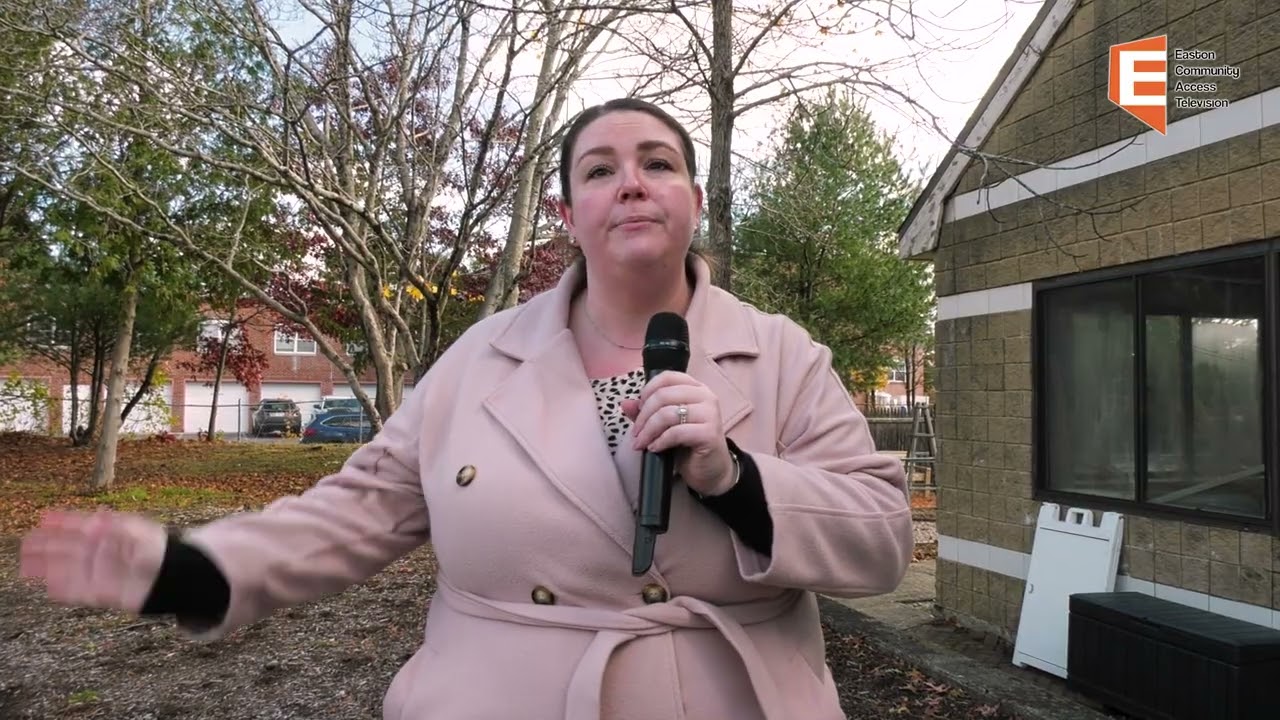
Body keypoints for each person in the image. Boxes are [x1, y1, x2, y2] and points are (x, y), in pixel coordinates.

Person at [20, 97, 913, 720]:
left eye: (659, 164)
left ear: (695, 200)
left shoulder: (786, 353)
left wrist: (734, 477)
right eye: (601, 170)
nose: (632, 182)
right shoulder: (477, 360)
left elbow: (881, 537)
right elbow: (358, 511)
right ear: (568, 213)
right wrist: (188, 572)